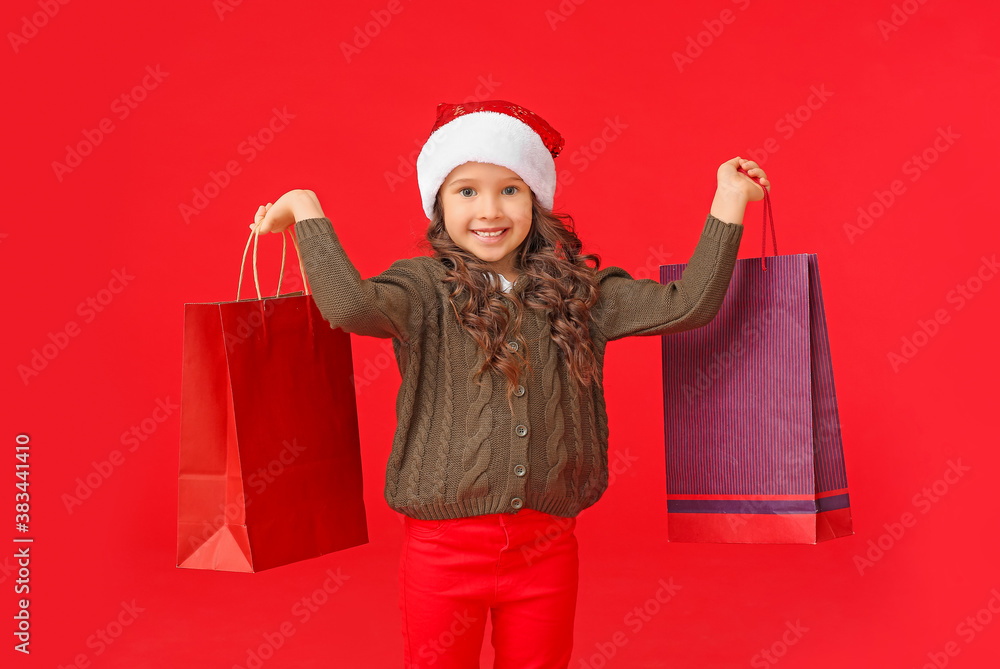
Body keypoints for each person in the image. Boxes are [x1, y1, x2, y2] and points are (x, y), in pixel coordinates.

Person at [250, 100, 769, 668]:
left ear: (537, 201)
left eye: (510, 190)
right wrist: (307, 213)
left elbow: (687, 306)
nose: (489, 210)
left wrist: (729, 201)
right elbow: (348, 306)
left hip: (547, 550)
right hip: (441, 555)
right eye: (466, 191)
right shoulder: (421, 288)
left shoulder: (579, 292)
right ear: (438, 205)